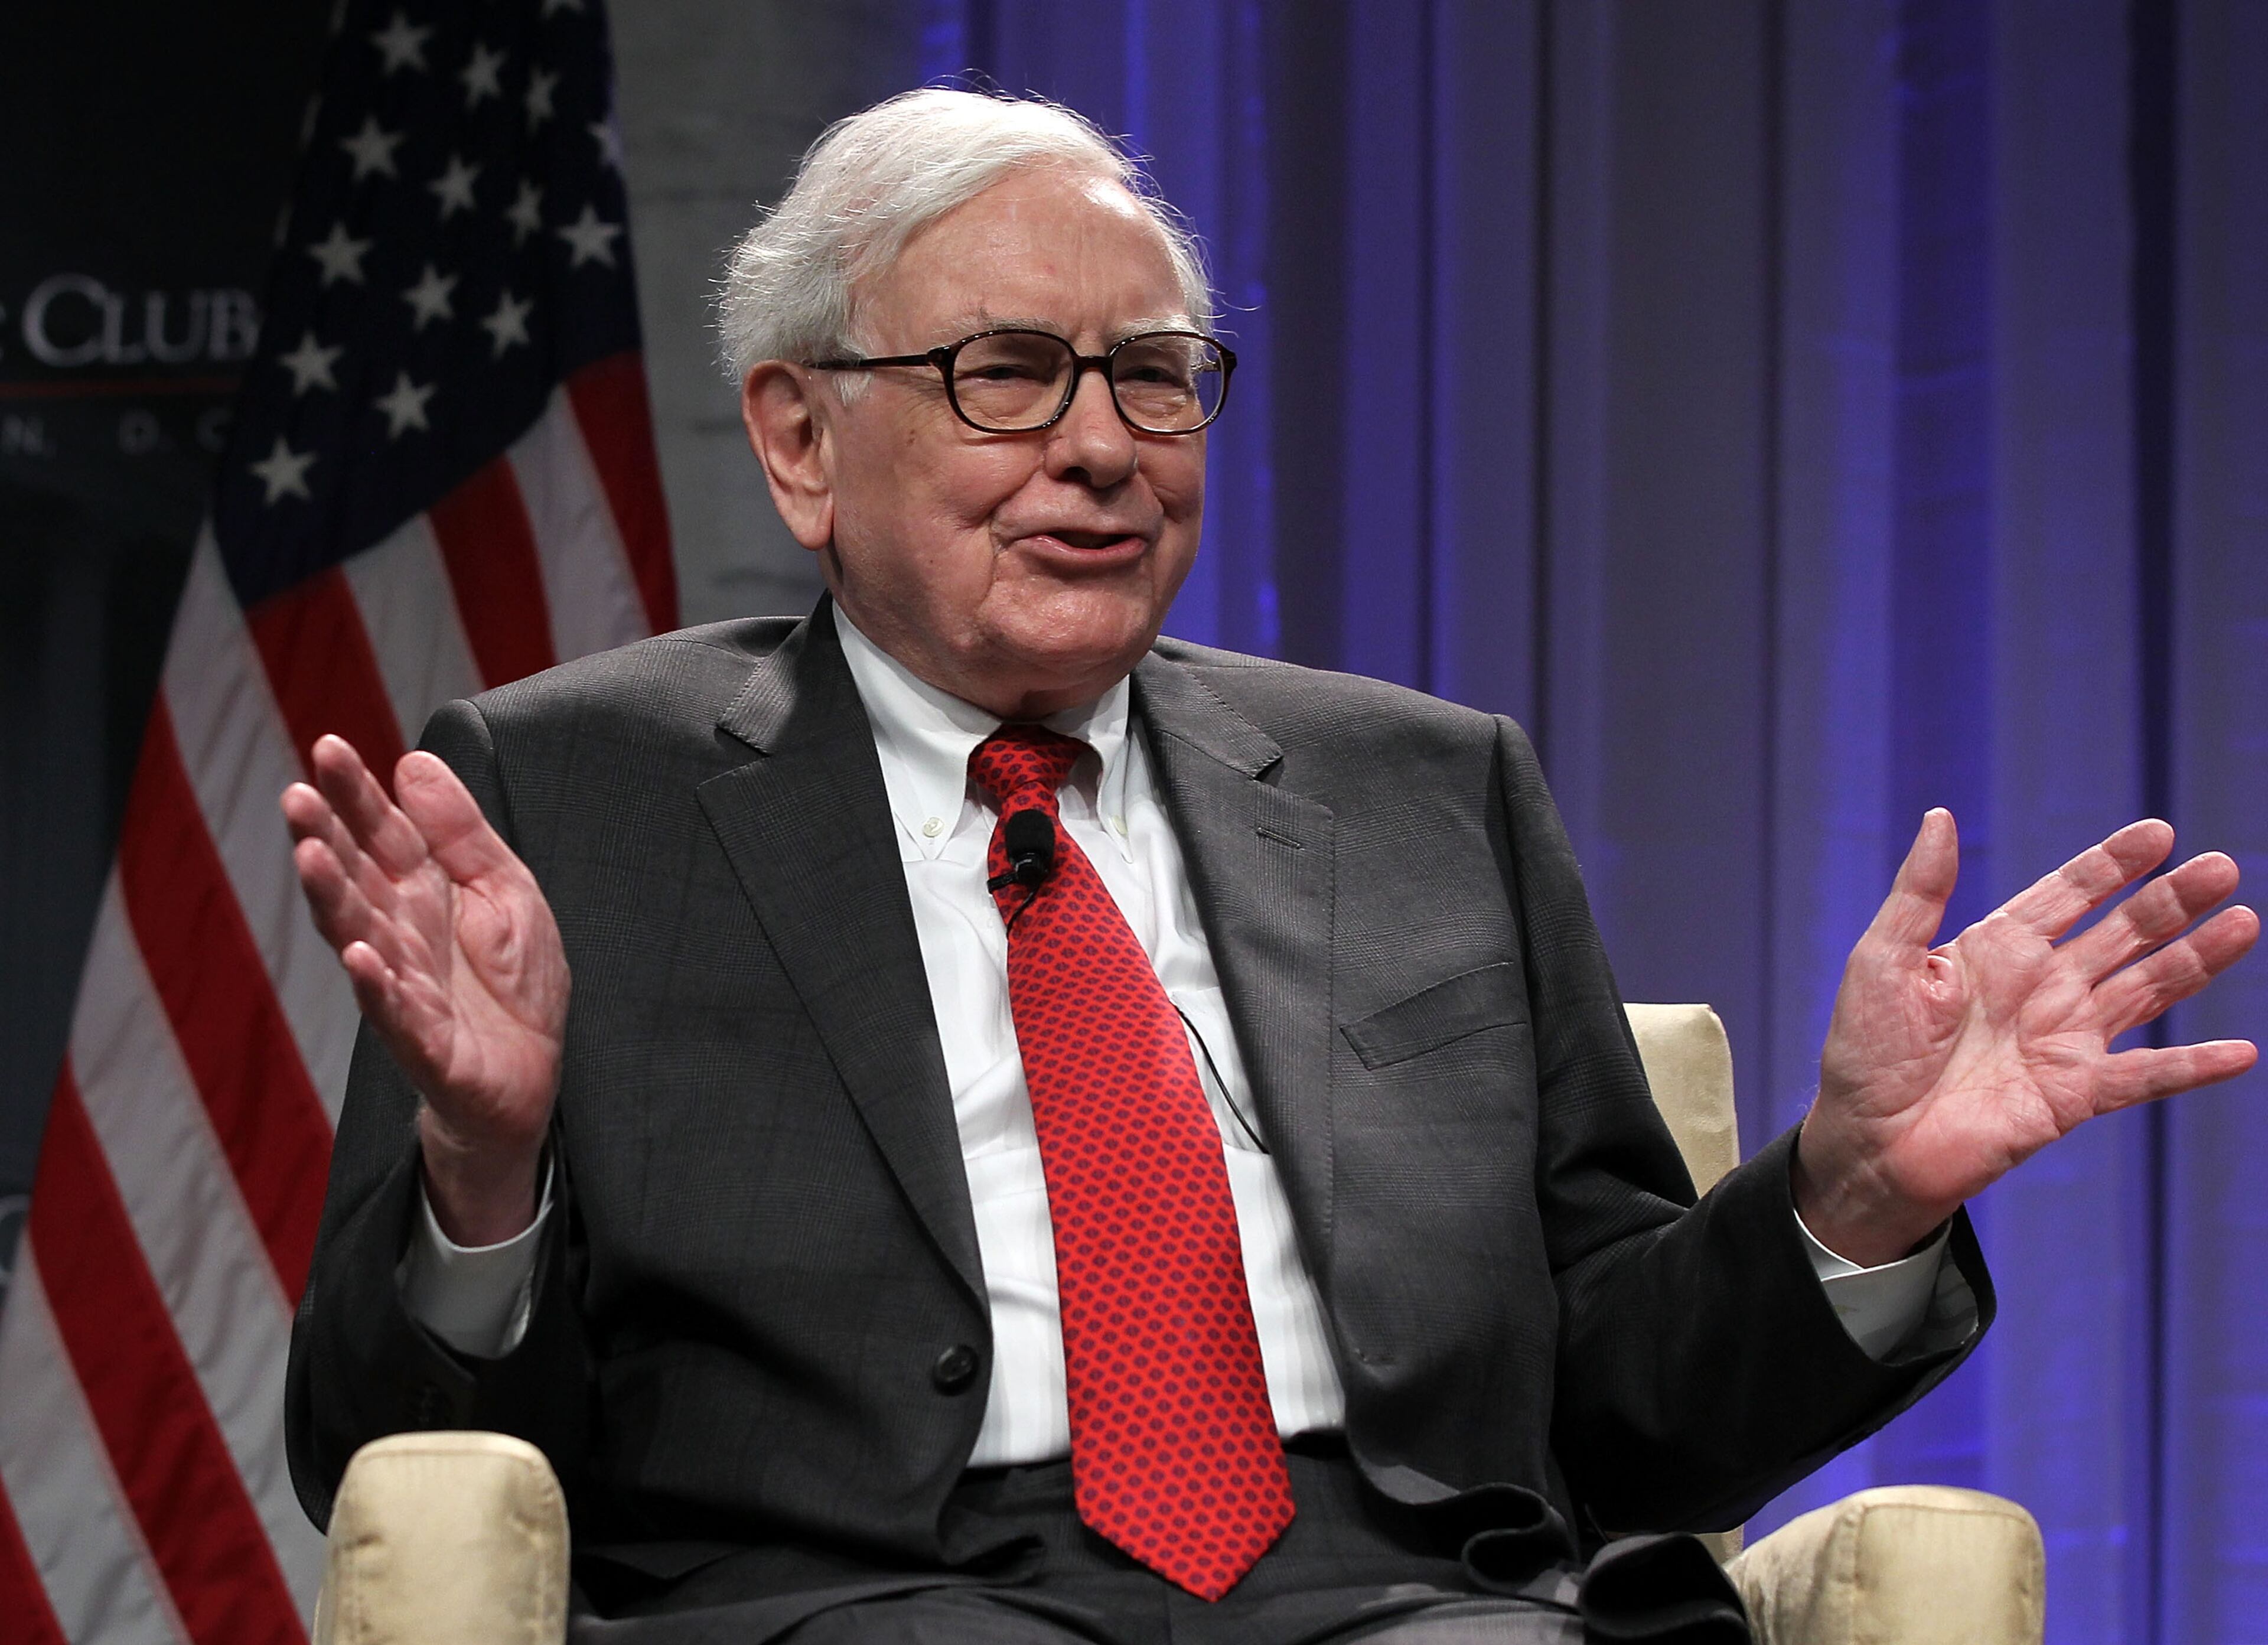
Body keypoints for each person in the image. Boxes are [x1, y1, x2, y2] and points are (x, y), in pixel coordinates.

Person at [281, 90, 2257, 1644]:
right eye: (1007, 373)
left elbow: (1628, 1414)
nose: (1104, 447)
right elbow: (384, 1451)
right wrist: (485, 1172)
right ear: (800, 441)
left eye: (1155, 374)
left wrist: (1854, 1194)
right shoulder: (571, 797)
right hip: (863, 1602)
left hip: (1399, 1597)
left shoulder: (1423, 787)